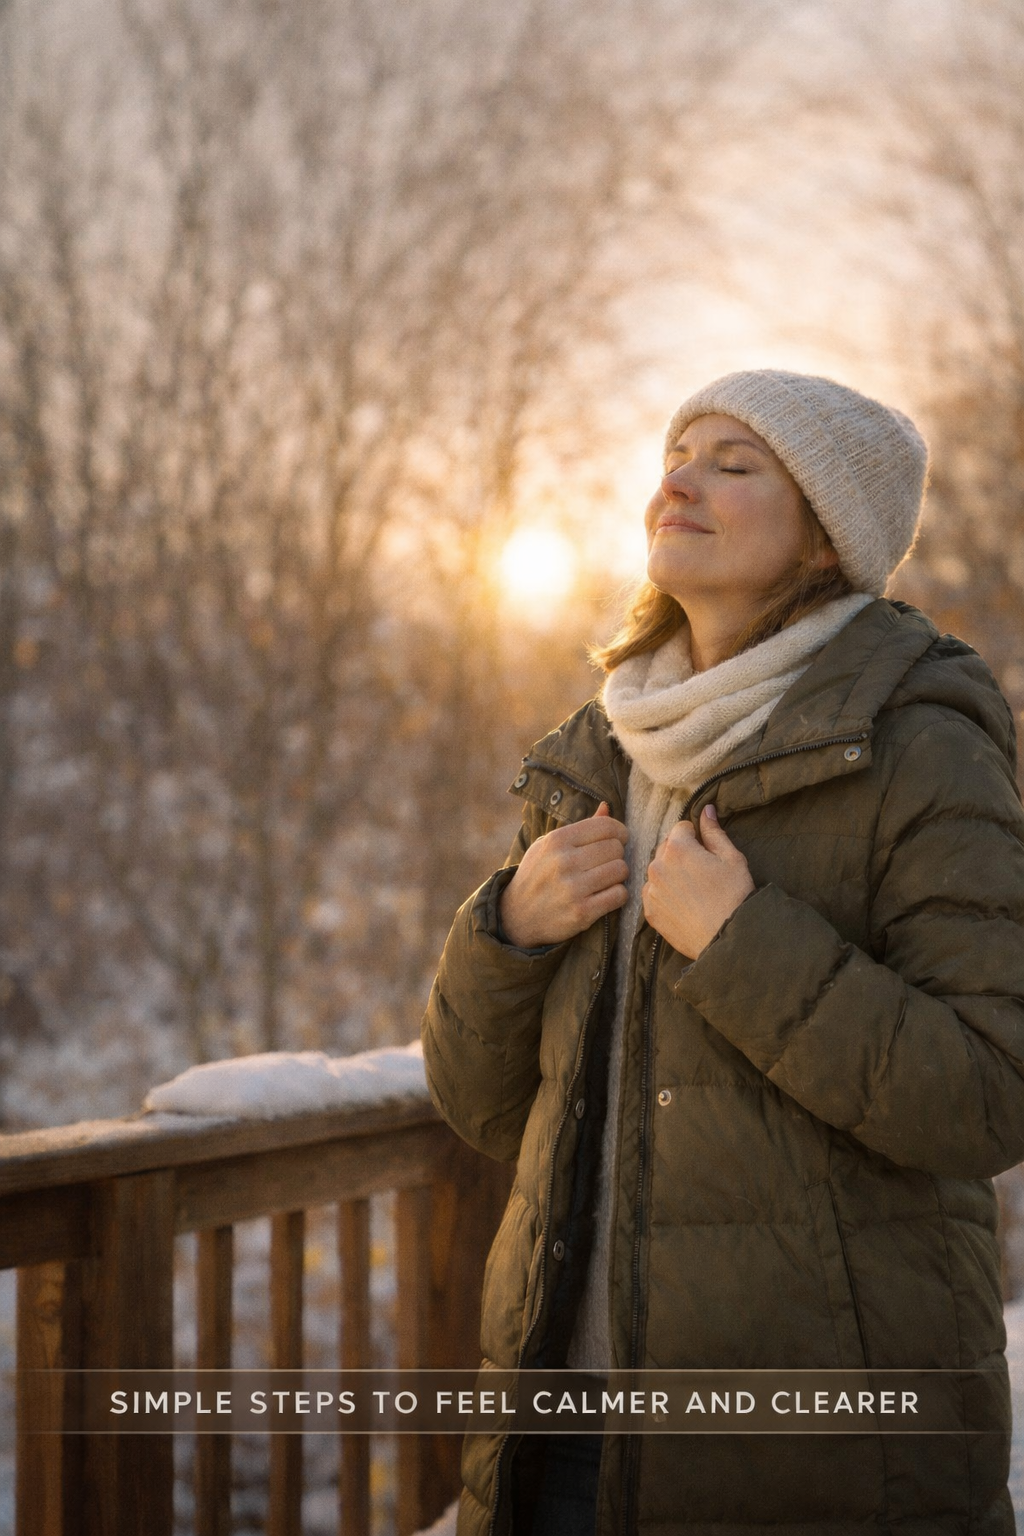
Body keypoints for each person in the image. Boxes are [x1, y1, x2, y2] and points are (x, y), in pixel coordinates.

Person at [421, 369, 1024, 1536]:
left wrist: (744, 946)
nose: (678, 480)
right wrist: (504, 933)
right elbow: (486, 1110)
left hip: (817, 1453)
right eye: (676, 454)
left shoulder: (916, 745)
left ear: (822, 537)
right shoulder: (593, 758)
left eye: (733, 464)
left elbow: (990, 1094)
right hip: (560, 1433)